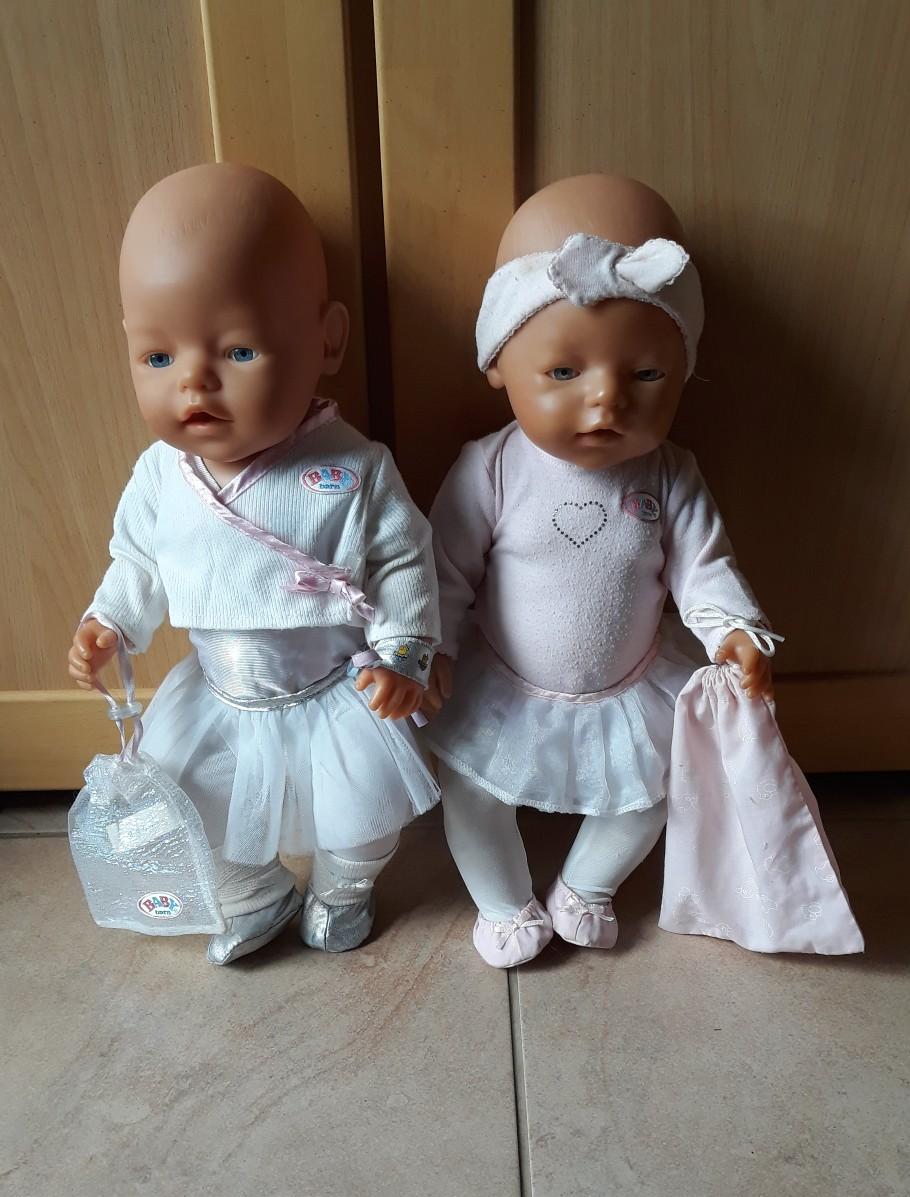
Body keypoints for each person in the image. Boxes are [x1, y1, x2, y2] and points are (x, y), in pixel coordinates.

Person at [69, 163, 439, 965]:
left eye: (237, 350)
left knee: (360, 816)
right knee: (194, 807)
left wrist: (406, 653)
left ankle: (342, 890)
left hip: (334, 689)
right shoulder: (162, 475)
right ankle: (254, 893)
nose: (194, 381)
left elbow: (405, 562)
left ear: (327, 340)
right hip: (219, 694)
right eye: (157, 357)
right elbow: (138, 558)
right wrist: (111, 621)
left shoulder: (354, 467)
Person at [423, 173, 782, 968]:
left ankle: (587, 885)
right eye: (564, 374)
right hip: (507, 683)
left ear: (682, 372)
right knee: (471, 789)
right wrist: (434, 646)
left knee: (655, 789)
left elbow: (704, 565)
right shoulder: (492, 468)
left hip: (630, 686)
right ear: (499, 363)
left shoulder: (670, 474)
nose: (606, 401)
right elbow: (444, 568)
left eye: (646, 376)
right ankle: (503, 902)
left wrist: (732, 631)